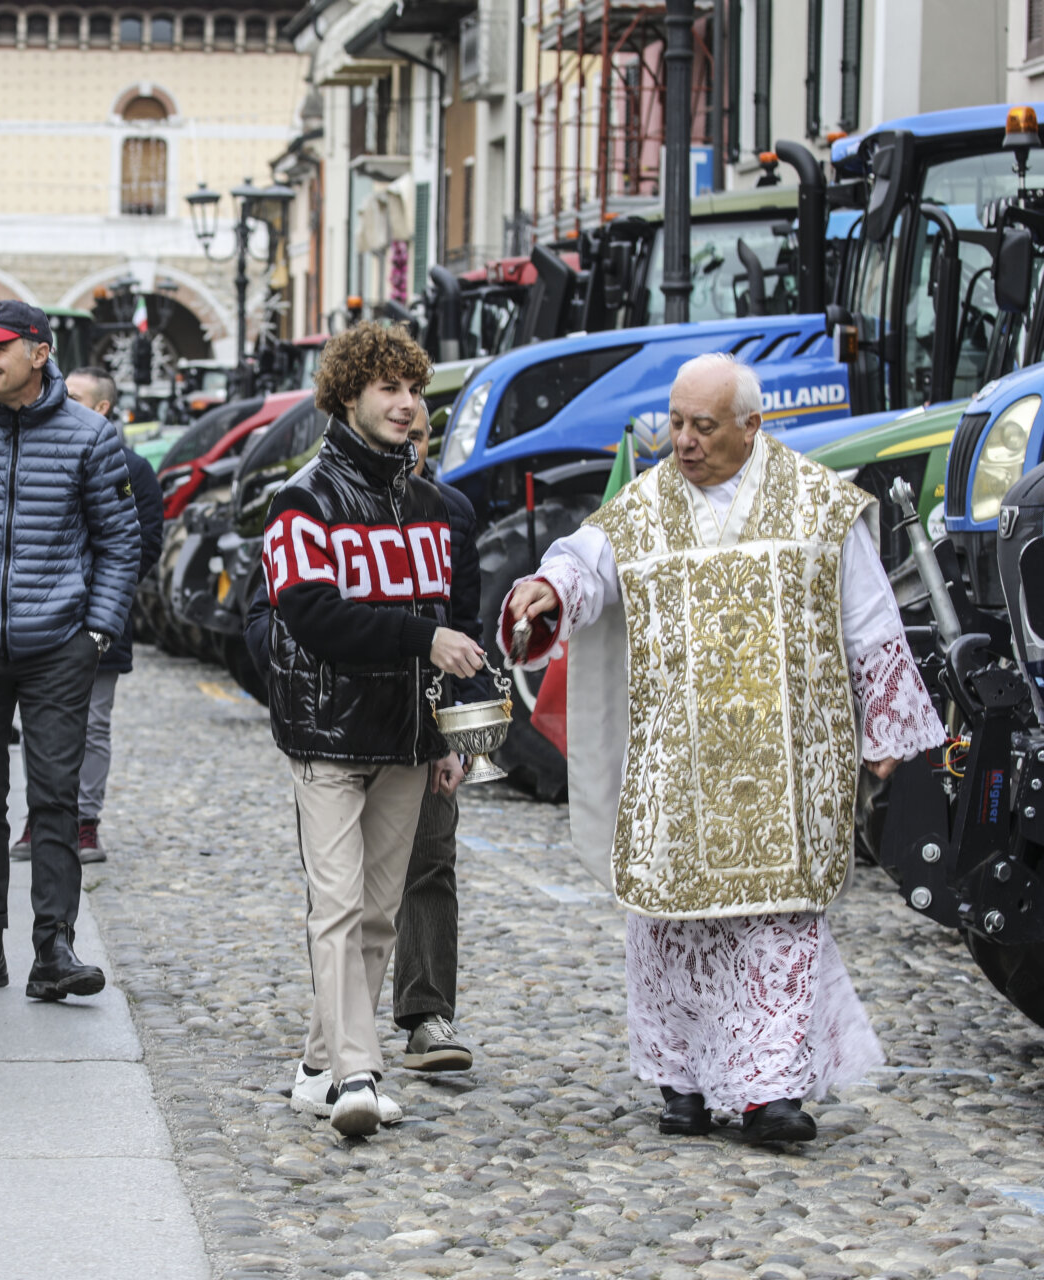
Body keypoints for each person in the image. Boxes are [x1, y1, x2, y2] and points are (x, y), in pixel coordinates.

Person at [501, 352, 946, 1143]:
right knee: (675, 926)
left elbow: (871, 620)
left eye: (703, 426)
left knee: (775, 928)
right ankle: (682, 1084)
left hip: (788, 768)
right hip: (678, 767)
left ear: (752, 426)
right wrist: (547, 591)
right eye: (674, 423)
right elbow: (585, 564)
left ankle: (771, 1093)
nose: (684, 442)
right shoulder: (645, 507)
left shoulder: (819, 507)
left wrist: (887, 724)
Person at [246, 323, 483, 1137]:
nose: (407, 404)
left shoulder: (430, 506)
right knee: (338, 906)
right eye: (389, 388)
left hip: (409, 738)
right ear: (348, 396)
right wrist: (424, 640)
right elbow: (313, 615)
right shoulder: (302, 499)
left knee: (379, 913)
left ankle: (317, 1066)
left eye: (414, 390)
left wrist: (451, 736)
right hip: (327, 732)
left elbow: (450, 623)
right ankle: (357, 1071)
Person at [0, 301, 141, 1000]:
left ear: (37, 353)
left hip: (59, 647)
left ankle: (55, 947)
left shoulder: (89, 435)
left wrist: (95, 635)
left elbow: (119, 543)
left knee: (54, 798)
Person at [390, 404, 484, 1074]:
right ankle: (336, 1032)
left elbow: (468, 624)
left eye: (420, 435)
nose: (409, 445)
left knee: (429, 863)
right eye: (399, 433)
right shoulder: (320, 499)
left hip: (427, 721)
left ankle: (427, 1015)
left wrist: (464, 733)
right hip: (345, 720)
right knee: (348, 887)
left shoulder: (452, 511)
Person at [60, 365, 163, 863]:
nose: (62, 400)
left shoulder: (133, 468)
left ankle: (84, 821)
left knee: (93, 724)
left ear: (101, 408)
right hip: (45, 618)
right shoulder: (45, 452)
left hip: (103, 619)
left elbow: (144, 545)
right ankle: (42, 817)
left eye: (75, 396)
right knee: (45, 722)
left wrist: (102, 593)